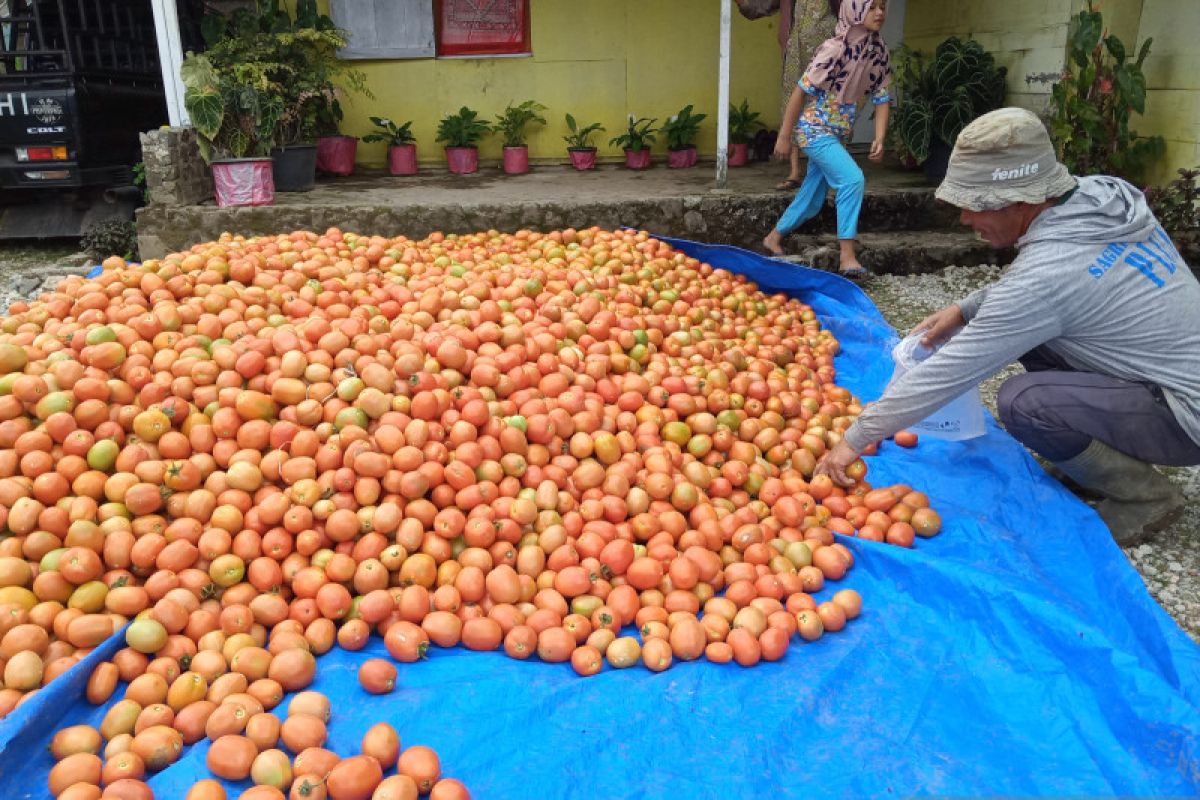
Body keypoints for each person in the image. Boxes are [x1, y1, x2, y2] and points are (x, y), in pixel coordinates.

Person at [814, 106, 1200, 546]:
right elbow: (1043, 291)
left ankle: (1144, 498)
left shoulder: (1048, 276)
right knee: (1026, 340)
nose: (965, 219)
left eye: (976, 206)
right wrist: (965, 308)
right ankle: (1093, 454)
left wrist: (854, 438)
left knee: (1024, 403)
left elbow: (951, 370)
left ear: (1023, 201)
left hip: (1185, 412)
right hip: (1165, 371)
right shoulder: (1100, 196)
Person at [762, 0, 891, 280]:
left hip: (837, 135)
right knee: (852, 179)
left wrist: (880, 136)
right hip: (814, 130)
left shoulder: (878, 51)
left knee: (813, 198)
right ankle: (847, 256)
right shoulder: (834, 49)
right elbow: (800, 91)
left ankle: (773, 238)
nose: (880, 12)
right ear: (854, 10)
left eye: (883, 6)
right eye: (872, 7)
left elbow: (882, 95)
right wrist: (785, 136)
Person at [775, 1, 840, 192]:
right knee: (792, 98)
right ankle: (794, 171)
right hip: (796, 46)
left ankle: (823, 169)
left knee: (824, 104)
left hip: (826, 44)